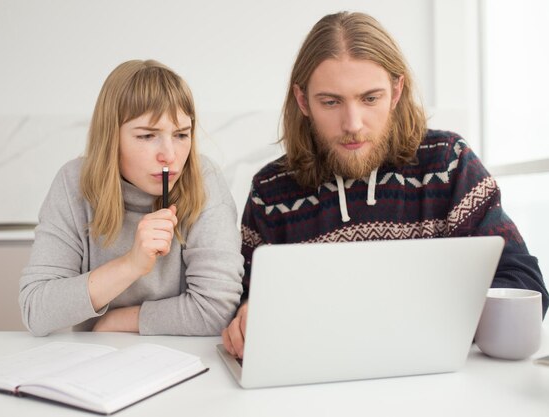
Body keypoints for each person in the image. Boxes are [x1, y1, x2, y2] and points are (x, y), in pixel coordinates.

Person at [221, 11, 548, 358]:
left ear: (396, 91)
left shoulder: (449, 163)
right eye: (331, 102)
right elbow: (239, 299)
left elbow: (523, 283)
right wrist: (245, 315)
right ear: (303, 101)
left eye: (370, 98)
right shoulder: (270, 191)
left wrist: (430, 320)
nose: (353, 124)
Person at [20, 59, 244, 336]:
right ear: (110, 138)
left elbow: (217, 310)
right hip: (97, 363)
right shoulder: (73, 183)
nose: (170, 156)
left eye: (181, 134)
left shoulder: (204, 179)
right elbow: (35, 310)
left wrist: (119, 322)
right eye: (147, 136)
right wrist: (131, 265)